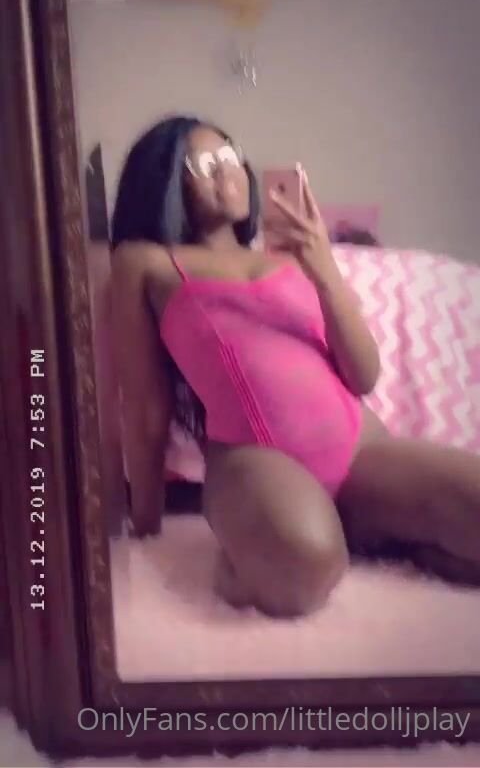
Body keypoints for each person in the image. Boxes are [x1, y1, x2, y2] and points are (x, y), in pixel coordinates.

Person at [110, 115, 480, 618]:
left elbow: (363, 376)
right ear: (167, 178)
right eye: (205, 162)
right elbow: (144, 405)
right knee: (301, 566)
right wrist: (145, 525)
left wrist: (323, 269)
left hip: (360, 452)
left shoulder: (291, 258)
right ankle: (256, 559)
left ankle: (375, 534)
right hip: (253, 463)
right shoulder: (145, 262)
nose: (227, 170)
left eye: (230, 155)